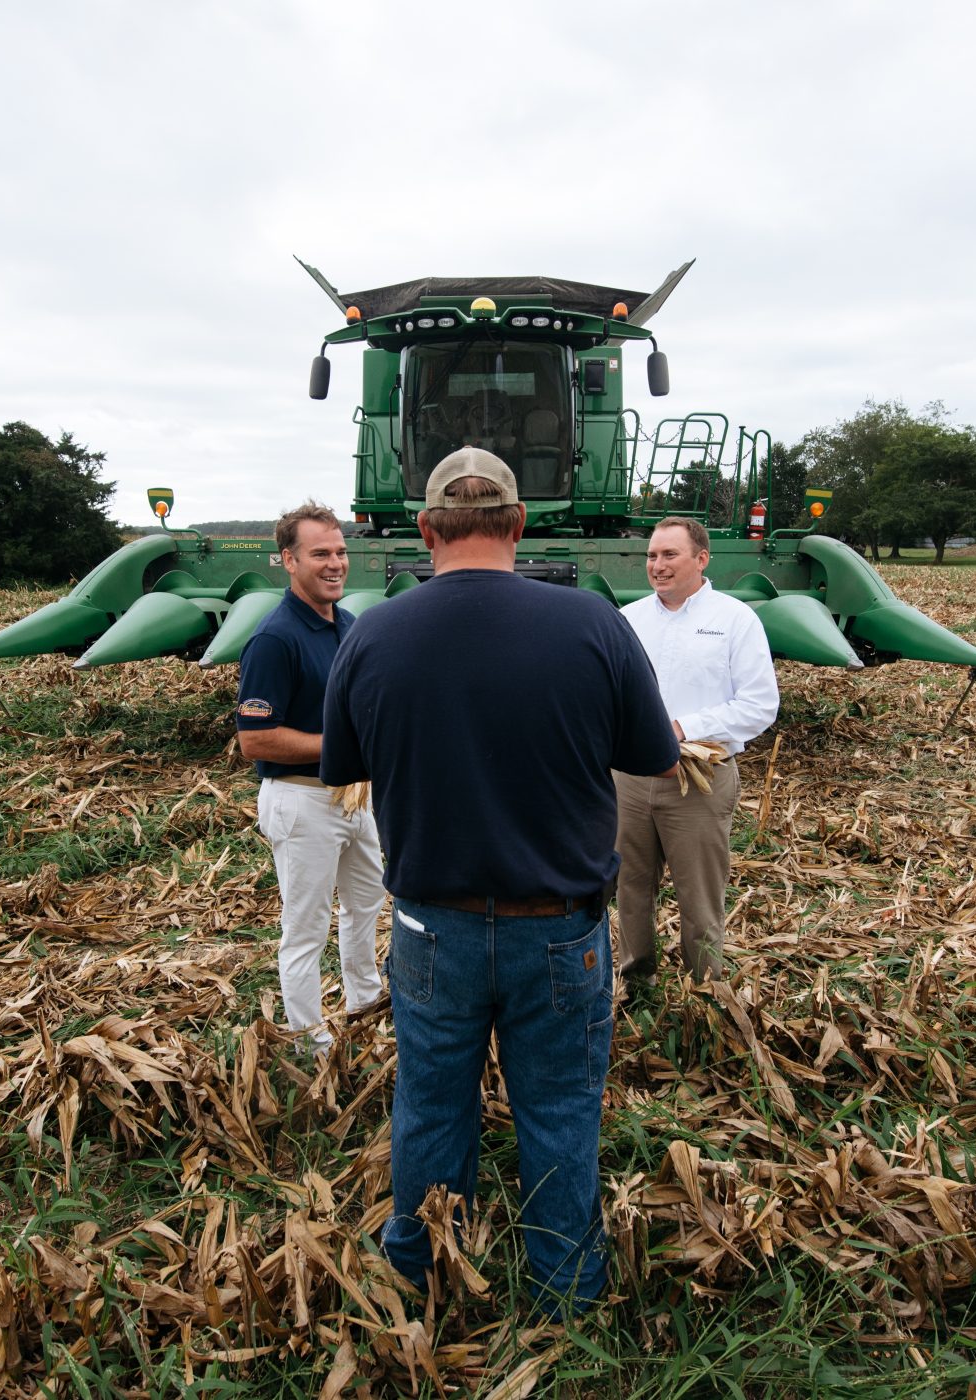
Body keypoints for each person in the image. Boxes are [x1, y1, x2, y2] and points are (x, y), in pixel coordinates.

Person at [320, 447, 678, 1317]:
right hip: (558, 926)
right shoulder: (593, 624)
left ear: (425, 529)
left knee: (430, 1106)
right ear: (519, 524)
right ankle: (566, 1293)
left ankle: (420, 1276)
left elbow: (346, 764)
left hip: (429, 927)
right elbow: (654, 757)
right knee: (559, 1112)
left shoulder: (372, 633)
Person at [235, 502, 386, 1049]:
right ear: (289, 560)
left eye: (340, 552)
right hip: (301, 800)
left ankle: (365, 1006)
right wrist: (344, 746)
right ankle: (309, 1041)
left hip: (354, 797)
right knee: (305, 928)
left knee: (366, 905)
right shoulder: (274, 639)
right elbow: (255, 739)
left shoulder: (346, 625)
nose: (335, 563)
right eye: (320, 553)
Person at [614, 516, 779, 983]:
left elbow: (760, 704)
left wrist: (684, 728)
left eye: (670, 554)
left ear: (702, 559)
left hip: (699, 777)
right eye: (652, 556)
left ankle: (703, 990)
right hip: (630, 778)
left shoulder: (734, 620)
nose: (657, 565)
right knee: (630, 887)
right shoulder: (629, 619)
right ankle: (636, 981)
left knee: (699, 895)